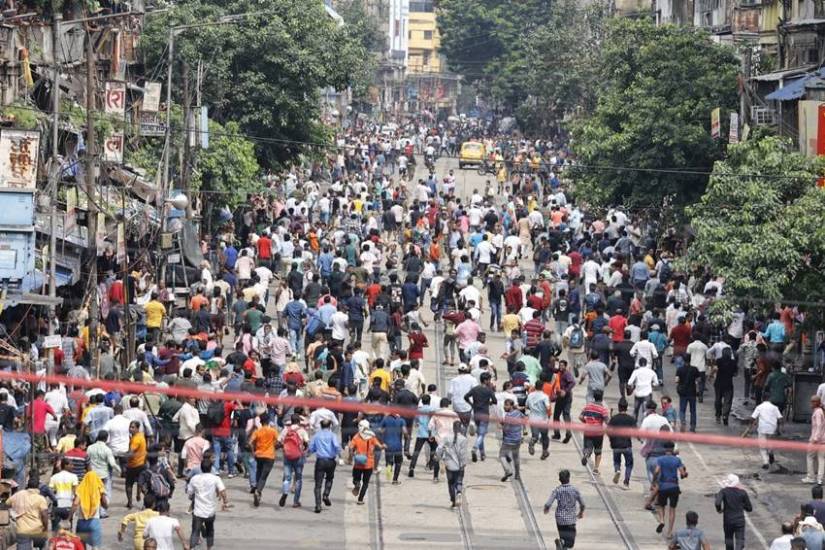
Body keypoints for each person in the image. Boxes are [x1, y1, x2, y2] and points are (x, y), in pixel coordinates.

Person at [187, 456, 229, 550]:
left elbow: (190, 492)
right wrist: (225, 501)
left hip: (198, 511)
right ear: (211, 468)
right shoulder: (215, 478)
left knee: (195, 531)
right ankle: (209, 548)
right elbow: (222, 491)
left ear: (201, 468)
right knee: (210, 530)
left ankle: (192, 548)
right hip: (210, 510)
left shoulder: (195, 479)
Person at [543, 469, 585, 549]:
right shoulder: (574, 490)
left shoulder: (557, 490)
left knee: (563, 537)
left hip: (560, 519)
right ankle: (562, 543)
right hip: (571, 519)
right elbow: (582, 504)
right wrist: (581, 512)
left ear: (559, 479)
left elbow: (548, 503)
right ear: (569, 478)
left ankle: (561, 543)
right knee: (570, 543)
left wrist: (546, 508)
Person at [308, 418, 342, 513]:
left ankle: (318, 505)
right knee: (329, 478)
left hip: (320, 461)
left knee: (318, 484)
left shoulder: (316, 435)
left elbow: (311, 448)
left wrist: (306, 455)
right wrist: (340, 456)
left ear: (321, 426)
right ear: (330, 426)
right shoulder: (333, 435)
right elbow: (336, 446)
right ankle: (326, 495)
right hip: (331, 461)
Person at [654, 441, 688, 538]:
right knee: (672, 509)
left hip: (663, 486)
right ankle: (669, 532)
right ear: (672, 449)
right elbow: (682, 473)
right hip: (674, 486)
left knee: (661, 506)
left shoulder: (660, 459)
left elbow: (656, 471)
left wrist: (654, 480)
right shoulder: (677, 460)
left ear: (665, 449)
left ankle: (661, 520)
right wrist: (685, 474)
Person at [348, 420, 385, 505]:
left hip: (358, 463)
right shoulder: (372, 437)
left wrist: (351, 456)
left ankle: (357, 484)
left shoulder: (356, 437)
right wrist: (383, 446)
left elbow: (351, 447)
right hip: (369, 464)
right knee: (365, 483)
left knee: (356, 478)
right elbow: (379, 446)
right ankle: (360, 499)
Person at [9, 476, 49, 550]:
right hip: (37, 529)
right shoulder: (41, 498)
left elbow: (7, 503)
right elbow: (44, 515)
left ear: (27, 486)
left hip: (22, 529)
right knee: (42, 544)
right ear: (37, 487)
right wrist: (45, 528)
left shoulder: (19, 494)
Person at [436, 420, 470, 508]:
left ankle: (453, 500)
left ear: (453, 428)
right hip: (459, 465)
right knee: (459, 481)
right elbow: (463, 454)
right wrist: (463, 464)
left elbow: (440, 448)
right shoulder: (464, 439)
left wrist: (438, 457)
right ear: (461, 428)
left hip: (449, 464)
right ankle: (458, 493)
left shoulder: (447, 438)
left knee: (450, 483)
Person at [745, 393, 783, 470]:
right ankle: (771, 453)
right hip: (772, 428)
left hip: (762, 428)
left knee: (762, 446)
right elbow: (780, 419)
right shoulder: (774, 407)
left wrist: (749, 426)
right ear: (770, 399)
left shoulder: (759, 407)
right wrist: (780, 428)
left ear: (762, 399)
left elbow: (752, 418)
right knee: (770, 443)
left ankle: (765, 462)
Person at [714, 473, 753, 550]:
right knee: (740, 540)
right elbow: (749, 508)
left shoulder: (723, 491)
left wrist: (719, 510)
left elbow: (717, 502)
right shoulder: (743, 493)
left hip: (728, 520)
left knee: (729, 539)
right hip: (739, 520)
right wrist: (742, 505)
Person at [278, 415, 309, 508]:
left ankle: (285, 492)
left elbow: (279, 441)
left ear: (291, 421)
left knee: (287, 477)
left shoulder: (286, 430)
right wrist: (304, 449)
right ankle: (296, 501)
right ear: (299, 421)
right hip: (298, 456)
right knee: (298, 478)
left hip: (287, 456)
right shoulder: (302, 430)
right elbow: (307, 442)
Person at [249, 414, 278, 507]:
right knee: (264, 476)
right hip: (269, 456)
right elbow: (278, 441)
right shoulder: (273, 431)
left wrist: (253, 451)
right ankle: (258, 491)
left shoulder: (257, 431)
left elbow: (250, 443)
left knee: (259, 471)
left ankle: (258, 491)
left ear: (260, 422)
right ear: (268, 421)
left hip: (259, 455)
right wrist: (273, 446)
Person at [73, 470, 107, 549]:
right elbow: (105, 504)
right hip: (94, 522)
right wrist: (103, 497)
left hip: (81, 522)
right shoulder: (98, 487)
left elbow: (75, 503)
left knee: (81, 546)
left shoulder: (81, 487)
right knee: (95, 547)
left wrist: (69, 517)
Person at [579, 389, 610, 474]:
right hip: (598, 433)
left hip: (588, 430)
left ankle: (586, 455)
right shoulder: (603, 409)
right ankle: (596, 468)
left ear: (594, 397)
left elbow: (580, 416)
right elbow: (607, 421)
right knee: (598, 451)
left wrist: (586, 422)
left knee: (588, 447)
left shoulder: (588, 406)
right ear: (602, 398)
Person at [607, 397, 635, 487]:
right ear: (626, 407)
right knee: (629, 464)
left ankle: (617, 470)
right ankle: (626, 481)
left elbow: (608, 431)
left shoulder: (614, 419)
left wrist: (612, 440)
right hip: (627, 445)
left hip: (616, 445)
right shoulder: (630, 419)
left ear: (619, 407)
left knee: (616, 461)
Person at [499, 398, 525, 482]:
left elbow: (506, 429)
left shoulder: (508, 416)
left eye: (506, 405)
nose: (504, 407)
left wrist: (502, 424)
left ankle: (508, 470)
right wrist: (523, 431)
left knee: (502, 456)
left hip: (508, 440)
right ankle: (517, 474)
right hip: (517, 439)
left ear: (511, 406)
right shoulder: (518, 413)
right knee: (516, 457)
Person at [525, 380, 551, 460]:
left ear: (535, 386)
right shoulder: (544, 396)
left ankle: (532, 442)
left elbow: (527, 406)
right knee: (544, 437)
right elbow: (548, 408)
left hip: (533, 418)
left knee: (535, 435)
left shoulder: (530, 395)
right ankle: (544, 452)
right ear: (542, 387)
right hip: (543, 419)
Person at [803, 395, 825, 485]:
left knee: (810, 457)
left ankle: (811, 477)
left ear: (817, 402)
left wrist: (815, 438)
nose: (811, 403)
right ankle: (820, 479)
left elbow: (819, 426)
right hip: (823, 440)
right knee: (821, 459)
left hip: (816, 440)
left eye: (813, 401)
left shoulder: (818, 412)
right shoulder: (820, 411)